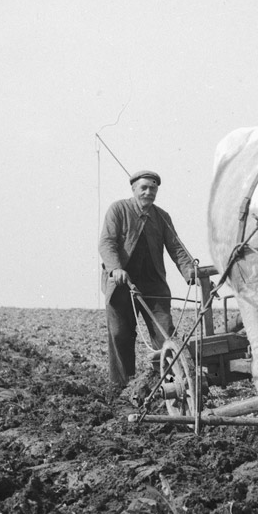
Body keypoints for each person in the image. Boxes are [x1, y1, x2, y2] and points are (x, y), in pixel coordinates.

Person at [99, 169, 196, 400]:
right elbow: (107, 242)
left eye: (153, 188)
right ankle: (121, 387)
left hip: (153, 286)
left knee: (165, 333)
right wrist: (116, 268)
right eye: (144, 187)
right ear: (133, 189)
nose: (148, 192)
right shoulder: (118, 210)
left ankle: (172, 386)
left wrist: (190, 271)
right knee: (120, 334)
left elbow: (176, 247)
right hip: (122, 284)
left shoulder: (162, 216)